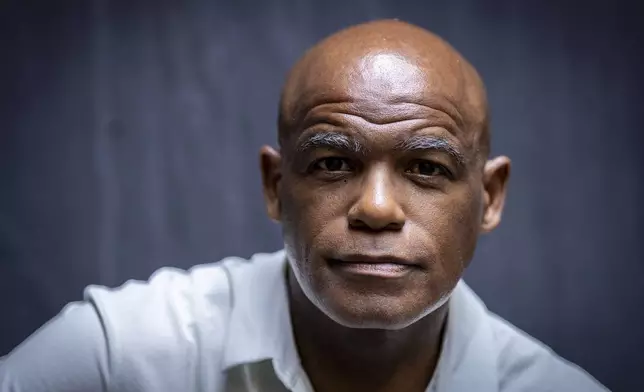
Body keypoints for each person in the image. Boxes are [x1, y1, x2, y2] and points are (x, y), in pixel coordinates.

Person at [0, 19, 607, 392]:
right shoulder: (122, 356)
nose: (375, 208)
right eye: (332, 163)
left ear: (489, 198)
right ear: (275, 185)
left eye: (426, 168)